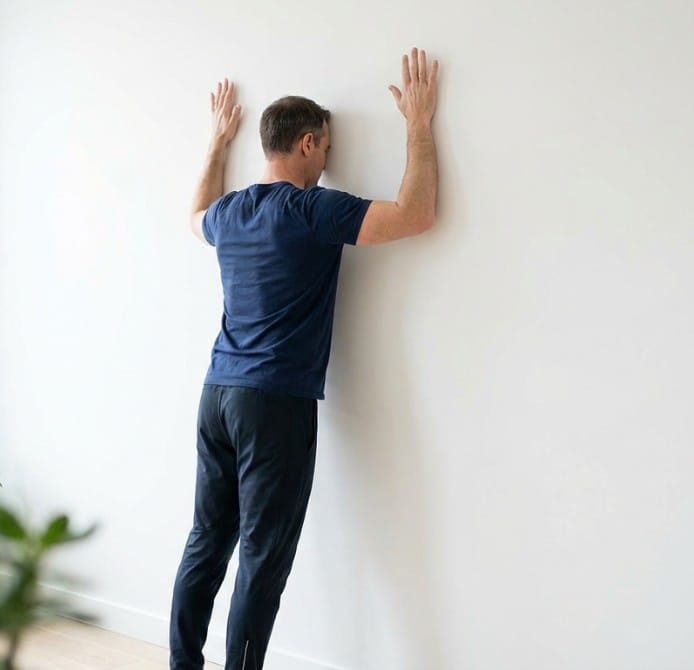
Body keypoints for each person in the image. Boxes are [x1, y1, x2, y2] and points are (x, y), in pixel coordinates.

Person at [170, 47, 441, 670]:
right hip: (274, 404)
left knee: (207, 539)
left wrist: (216, 142)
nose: (327, 164)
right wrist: (418, 125)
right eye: (327, 150)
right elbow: (416, 214)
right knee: (262, 555)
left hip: (217, 395)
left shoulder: (230, 212)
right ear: (309, 143)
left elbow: (193, 216)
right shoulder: (312, 210)